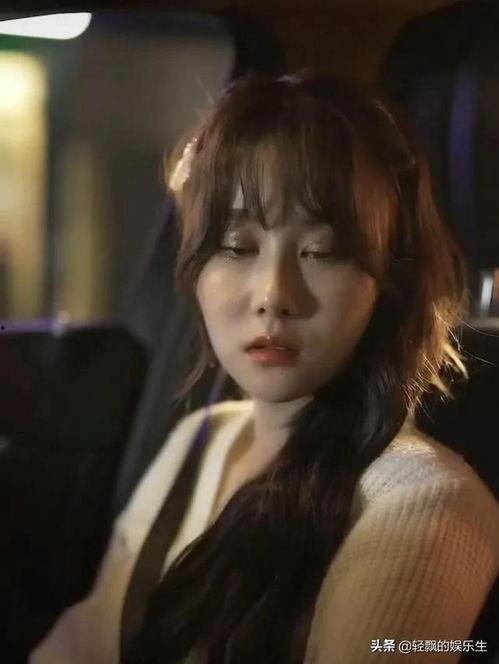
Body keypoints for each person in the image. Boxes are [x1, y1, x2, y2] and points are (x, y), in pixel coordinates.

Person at [31, 73, 499, 664]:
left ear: (388, 284)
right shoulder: (199, 441)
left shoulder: (423, 504)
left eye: (321, 252)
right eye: (237, 246)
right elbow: (85, 644)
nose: (273, 295)